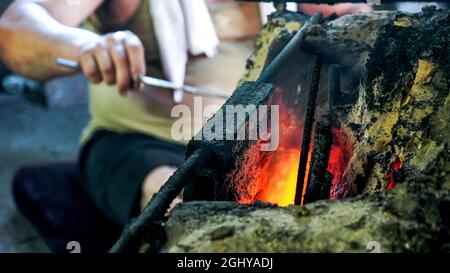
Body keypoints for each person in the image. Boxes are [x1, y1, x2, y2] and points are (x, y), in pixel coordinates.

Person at [0, 0, 371, 225]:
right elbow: (17, 26)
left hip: (250, 136)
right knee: (190, 208)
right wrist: (84, 46)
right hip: (143, 143)